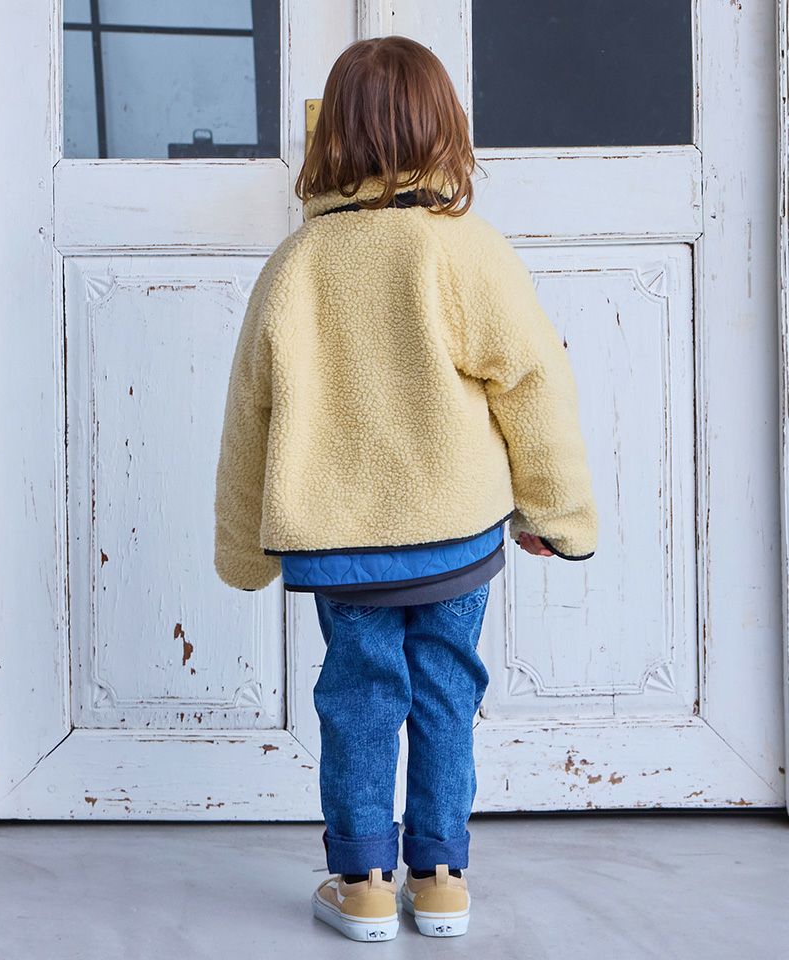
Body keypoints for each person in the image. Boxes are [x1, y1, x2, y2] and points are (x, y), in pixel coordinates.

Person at [213, 35, 598, 942]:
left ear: (330, 138)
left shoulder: (297, 265)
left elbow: (247, 416)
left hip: (343, 547)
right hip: (455, 535)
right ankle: (441, 876)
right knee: (446, 693)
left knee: (357, 699)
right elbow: (534, 384)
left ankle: (362, 884)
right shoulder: (467, 252)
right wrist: (558, 515)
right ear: (445, 131)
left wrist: (242, 550)